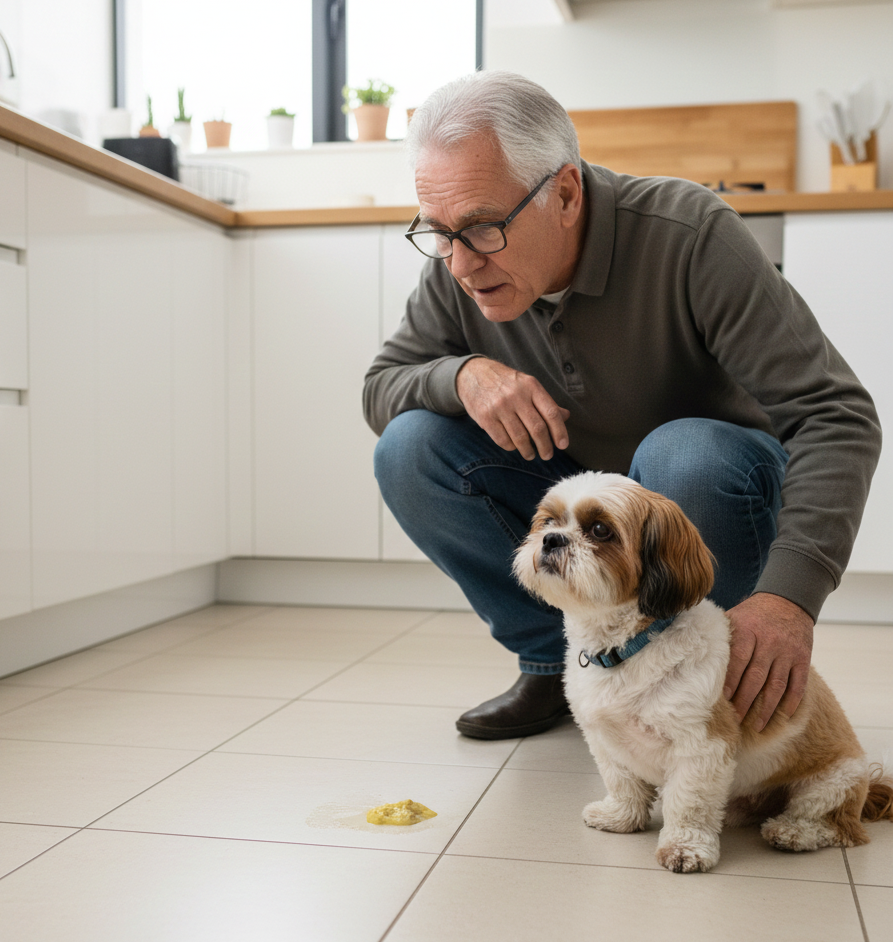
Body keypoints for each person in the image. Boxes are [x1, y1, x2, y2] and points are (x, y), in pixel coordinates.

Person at [363, 71, 881, 741]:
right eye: (439, 232)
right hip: (581, 511)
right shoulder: (458, 267)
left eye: (483, 228)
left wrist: (788, 603)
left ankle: (713, 684)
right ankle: (559, 666)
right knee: (408, 446)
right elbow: (382, 386)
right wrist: (463, 376)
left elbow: (837, 415)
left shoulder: (690, 235)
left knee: (685, 453)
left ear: (567, 193)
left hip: (712, 489)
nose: (460, 265)